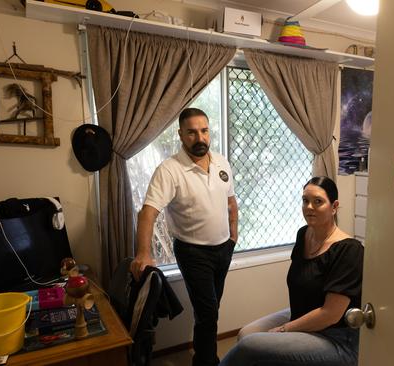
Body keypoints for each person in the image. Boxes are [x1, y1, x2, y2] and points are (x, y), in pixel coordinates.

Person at [130, 107, 239, 366]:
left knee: (209, 311)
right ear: (180, 134)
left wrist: (233, 234)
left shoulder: (221, 162)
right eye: (191, 132)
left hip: (223, 249)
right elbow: (147, 213)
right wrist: (144, 253)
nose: (199, 138)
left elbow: (231, 201)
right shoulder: (170, 170)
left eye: (204, 131)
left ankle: (203, 356)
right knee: (208, 312)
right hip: (193, 252)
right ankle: (206, 361)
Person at [220, 176, 363, 366]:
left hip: (336, 337)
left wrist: (284, 329)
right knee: (246, 333)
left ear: (334, 206)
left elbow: (330, 314)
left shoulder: (349, 250)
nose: (309, 207)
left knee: (249, 346)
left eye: (318, 201)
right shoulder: (304, 234)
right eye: (305, 201)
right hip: (302, 315)